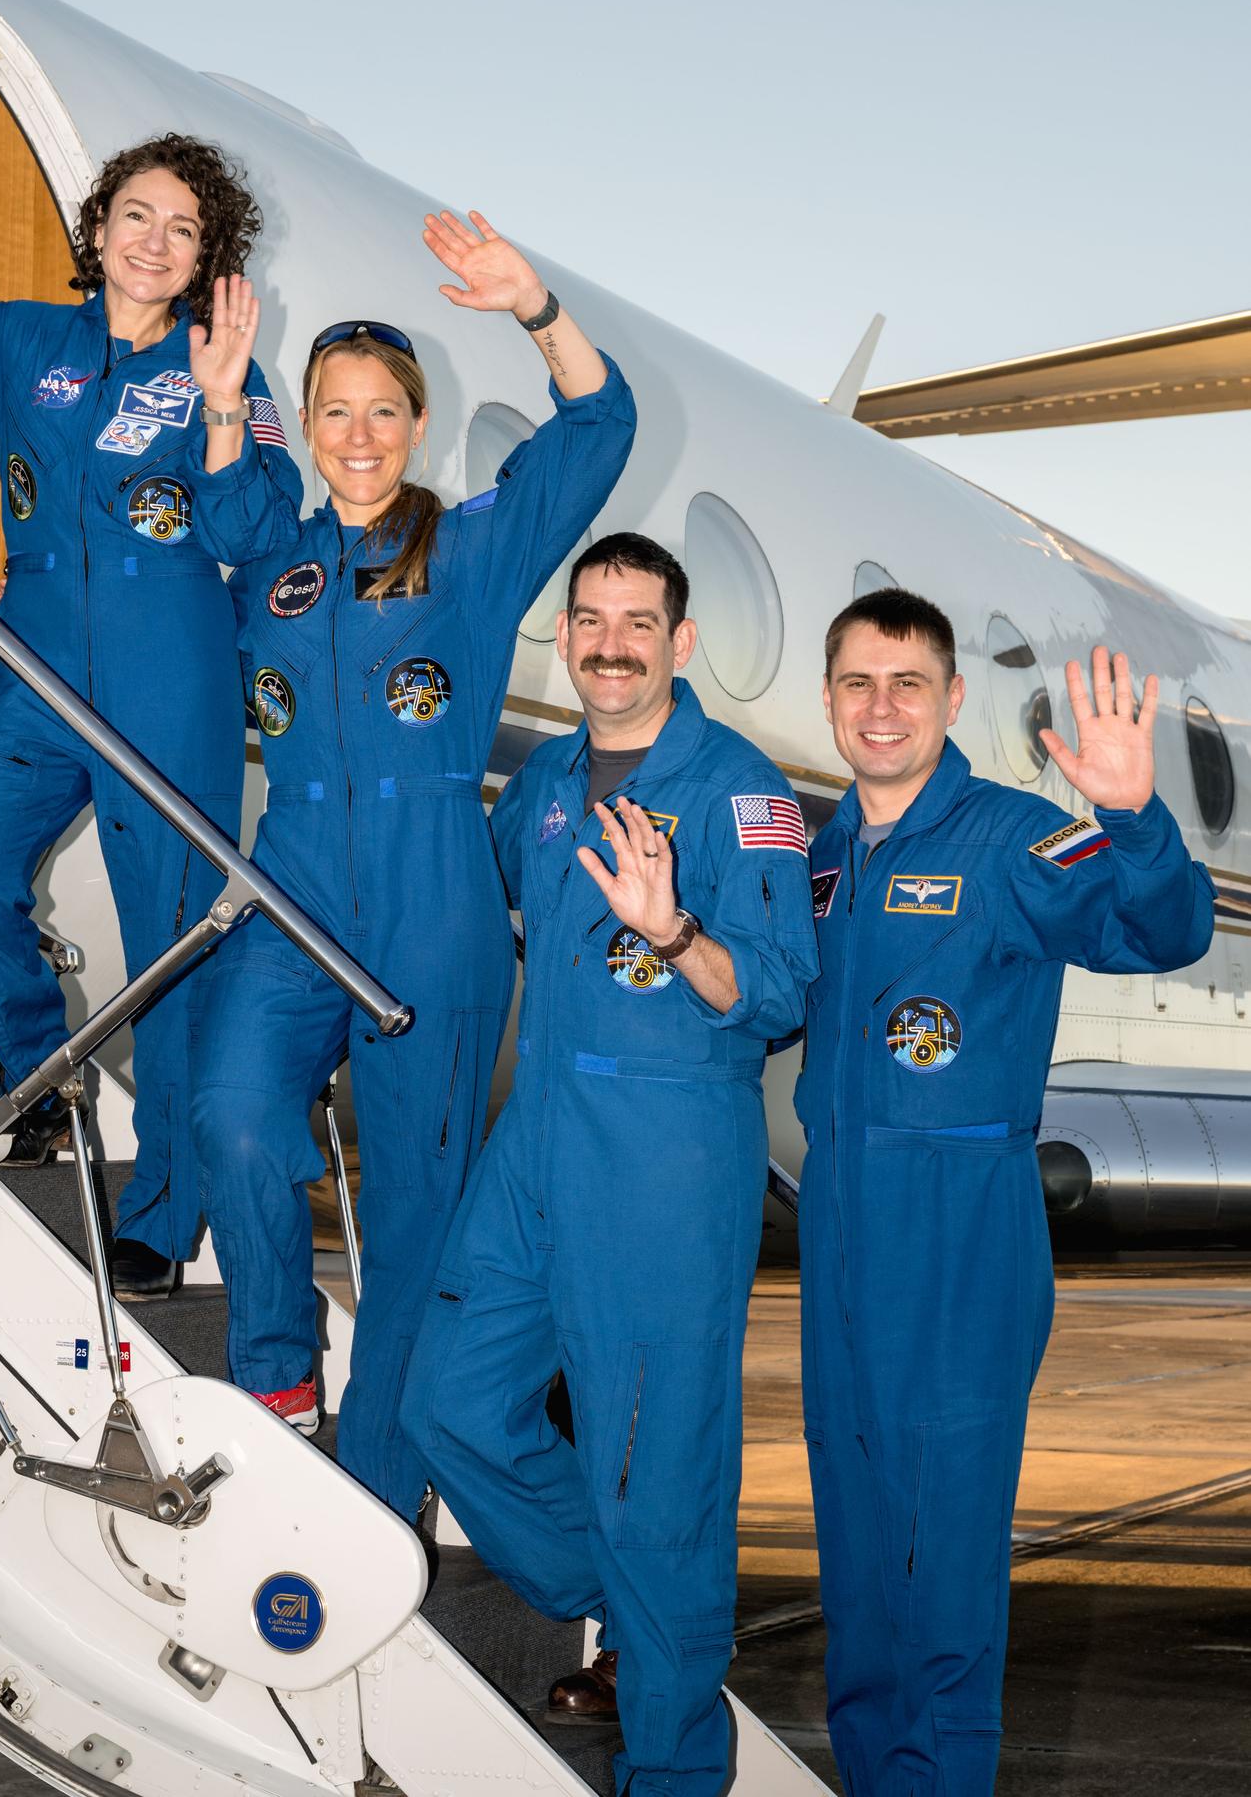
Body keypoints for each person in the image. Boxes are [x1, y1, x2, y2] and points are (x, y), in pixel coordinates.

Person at [189, 210, 636, 1513]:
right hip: (292, 885)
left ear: (416, 423)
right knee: (235, 1109)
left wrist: (535, 306)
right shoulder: (272, 554)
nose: (360, 434)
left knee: (414, 1213)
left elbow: (595, 434)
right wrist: (226, 408)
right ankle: (277, 1380)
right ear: (311, 423)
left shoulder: (472, 546)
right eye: (334, 409)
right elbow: (214, 519)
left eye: (384, 411)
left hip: (433, 895)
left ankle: (381, 1497)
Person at [0, 134, 304, 1295]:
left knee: (173, 939)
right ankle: (39, 1076)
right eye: (136, 216)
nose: (154, 241)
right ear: (97, 230)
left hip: (173, 664)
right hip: (34, 652)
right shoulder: (20, 343)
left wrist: (227, 407)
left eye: (183, 229)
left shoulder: (225, 372)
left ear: (207, 260)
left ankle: (165, 1209)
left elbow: (263, 538)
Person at [401, 534, 818, 1796]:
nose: (611, 640)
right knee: (450, 1403)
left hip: (667, 1150)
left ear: (680, 643)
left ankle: (674, 1760)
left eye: (639, 619)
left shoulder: (747, 793)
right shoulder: (539, 789)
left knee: (658, 1469)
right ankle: (636, 1605)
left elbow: (782, 990)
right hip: (540, 1141)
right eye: (589, 617)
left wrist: (676, 928)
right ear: (566, 635)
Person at [796, 587, 1214, 1795]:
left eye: (907, 684)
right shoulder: (819, 857)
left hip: (959, 1220)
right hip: (839, 1221)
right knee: (861, 1556)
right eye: (859, 684)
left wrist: (1132, 815)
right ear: (830, 699)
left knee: (942, 1562)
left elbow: (1162, 930)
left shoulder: (1013, 838)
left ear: (949, 699)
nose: (882, 709)